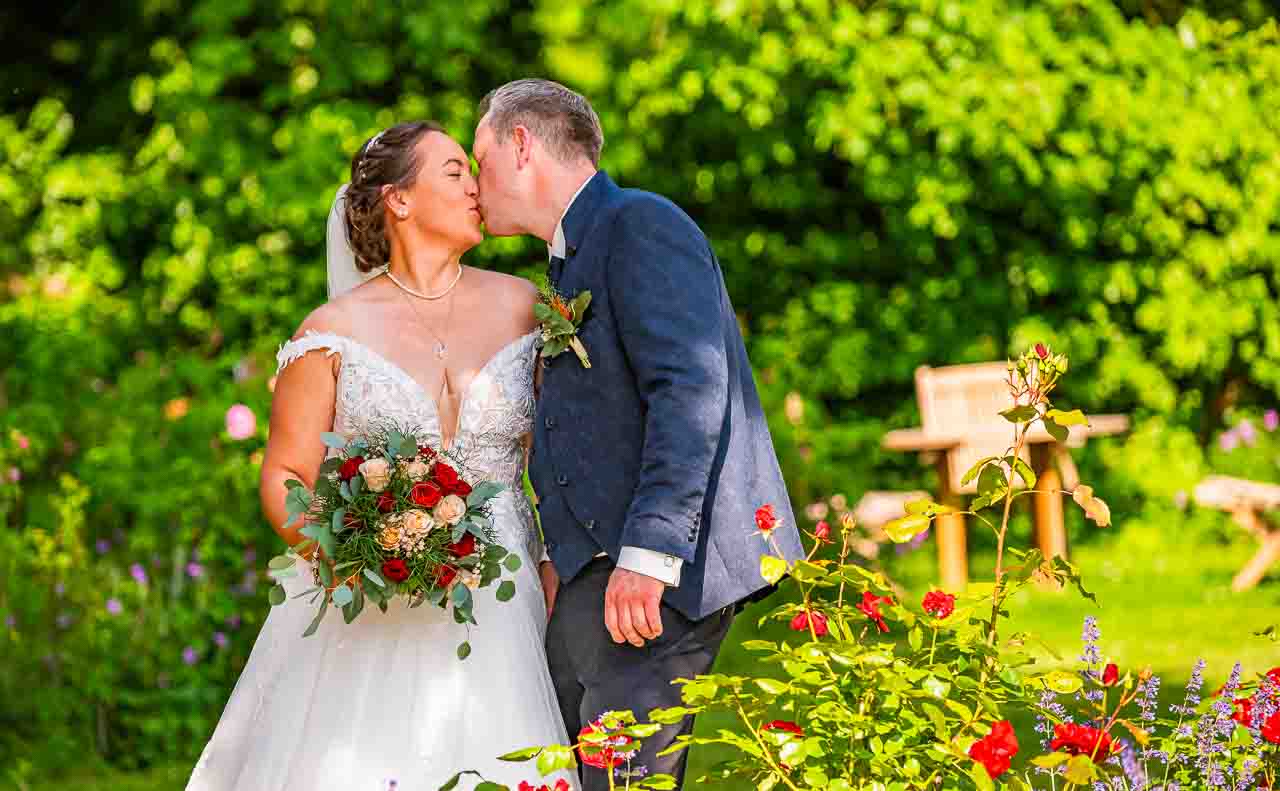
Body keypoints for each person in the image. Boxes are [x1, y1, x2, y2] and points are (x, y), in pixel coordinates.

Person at [185, 121, 576, 791]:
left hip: (506, 595)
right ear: (399, 199)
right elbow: (285, 475)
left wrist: (551, 558)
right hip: (368, 604)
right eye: (454, 172)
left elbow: (565, 456)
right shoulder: (332, 333)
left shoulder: (524, 309)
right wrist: (346, 553)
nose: (476, 187)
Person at [473, 79, 804, 789]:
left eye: (480, 159)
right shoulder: (573, 253)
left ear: (522, 145)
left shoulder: (640, 224)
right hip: (596, 573)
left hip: (658, 577)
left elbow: (691, 387)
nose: (476, 183)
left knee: (619, 780)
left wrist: (650, 555)